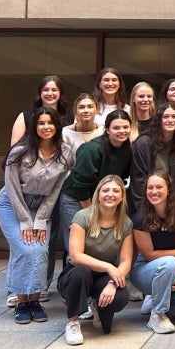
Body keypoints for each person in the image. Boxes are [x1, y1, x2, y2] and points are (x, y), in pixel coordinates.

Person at [0, 107, 73, 324]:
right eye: (41, 123)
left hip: (41, 206)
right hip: (12, 205)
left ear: (57, 126)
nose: (46, 127)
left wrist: (40, 220)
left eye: (50, 123)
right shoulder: (19, 151)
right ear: (34, 127)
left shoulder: (65, 152)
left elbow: (56, 190)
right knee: (24, 247)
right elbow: (11, 188)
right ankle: (21, 301)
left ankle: (35, 300)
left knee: (40, 249)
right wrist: (24, 221)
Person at [57, 175, 133, 345]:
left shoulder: (125, 223)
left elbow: (126, 261)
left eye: (115, 191)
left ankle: (98, 306)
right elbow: (76, 256)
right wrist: (108, 267)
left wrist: (113, 283)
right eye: (105, 190)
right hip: (75, 275)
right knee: (81, 272)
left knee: (120, 296)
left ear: (122, 196)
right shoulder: (82, 217)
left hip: (103, 277)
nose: (110, 194)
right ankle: (73, 322)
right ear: (98, 194)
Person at [130, 171, 175, 333]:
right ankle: (158, 314)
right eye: (150, 188)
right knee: (170, 262)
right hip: (146, 269)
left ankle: (157, 303)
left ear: (169, 190)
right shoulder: (140, 217)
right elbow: (150, 255)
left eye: (159, 187)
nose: (154, 191)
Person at [59, 110, 132, 257]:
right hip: (77, 198)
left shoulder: (126, 149)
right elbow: (81, 186)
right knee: (78, 246)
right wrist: (93, 213)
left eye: (125, 127)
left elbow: (121, 179)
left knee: (96, 245)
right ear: (107, 130)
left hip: (100, 198)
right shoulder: (92, 149)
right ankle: (71, 278)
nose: (122, 131)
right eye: (116, 128)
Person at [130, 103, 175, 213]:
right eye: (165, 116)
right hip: (146, 202)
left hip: (172, 201)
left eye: (174, 117)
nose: (170, 120)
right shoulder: (143, 144)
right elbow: (138, 181)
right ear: (158, 119)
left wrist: (172, 207)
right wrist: (144, 211)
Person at [11, 75, 73, 145]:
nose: (50, 93)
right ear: (40, 93)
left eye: (54, 90)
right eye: (46, 90)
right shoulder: (25, 116)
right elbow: (14, 148)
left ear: (60, 93)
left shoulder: (70, 118)